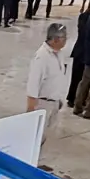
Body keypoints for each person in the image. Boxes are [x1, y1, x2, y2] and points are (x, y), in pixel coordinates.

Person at [26, 23, 71, 153]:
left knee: (44, 136)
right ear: (55, 39)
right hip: (42, 103)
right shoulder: (42, 56)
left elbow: (58, 77)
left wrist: (60, 99)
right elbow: (34, 82)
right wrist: (31, 108)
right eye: (64, 39)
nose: (66, 41)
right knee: (35, 137)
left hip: (53, 102)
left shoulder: (59, 54)